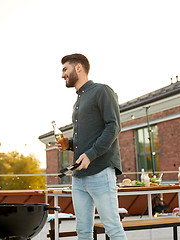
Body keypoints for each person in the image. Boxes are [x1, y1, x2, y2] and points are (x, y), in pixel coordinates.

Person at [57, 53, 127, 240]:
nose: (62, 74)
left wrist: (91, 154)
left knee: (112, 227)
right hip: (79, 177)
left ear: (78, 68)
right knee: (83, 231)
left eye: (65, 69)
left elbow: (113, 126)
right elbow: (88, 138)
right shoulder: (78, 101)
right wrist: (69, 144)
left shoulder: (102, 91)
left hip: (100, 171)